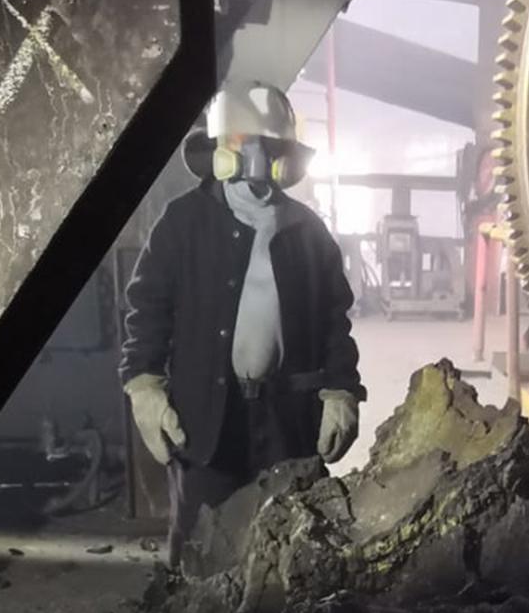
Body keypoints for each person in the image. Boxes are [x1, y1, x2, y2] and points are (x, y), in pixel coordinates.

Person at [120, 81, 364, 568]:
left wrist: (341, 392)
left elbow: (335, 321)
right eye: (240, 143)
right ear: (217, 149)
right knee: (201, 552)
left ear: (285, 155)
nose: (255, 156)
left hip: (286, 420)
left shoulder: (307, 231)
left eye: (268, 145)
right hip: (209, 419)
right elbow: (147, 308)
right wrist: (144, 385)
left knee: (293, 547)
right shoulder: (183, 223)